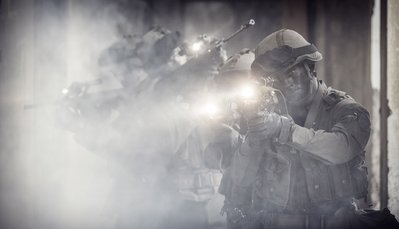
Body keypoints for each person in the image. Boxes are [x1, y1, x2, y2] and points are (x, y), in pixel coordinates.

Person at [208, 28, 376, 229]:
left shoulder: (345, 110)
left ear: (310, 67)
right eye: (276, 78)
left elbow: (340, 148)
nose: (286, 83)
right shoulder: (267, 114)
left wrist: (284, 129)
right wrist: (253, 138)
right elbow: (240, 179)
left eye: (291, 72)